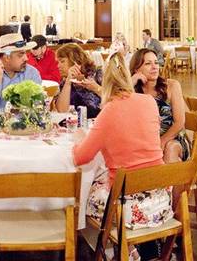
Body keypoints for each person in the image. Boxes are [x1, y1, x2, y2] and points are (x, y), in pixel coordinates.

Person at [72, 53, 171, 260]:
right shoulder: (149, 102)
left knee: (83, 198)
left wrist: (78, 139)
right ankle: (128, 247)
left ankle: (118, 250)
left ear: (104, 84)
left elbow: (81, 158)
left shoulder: (109, 111)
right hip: (162, 200)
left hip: (128, 208)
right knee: (104, 181)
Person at [130, 49, 189, 162]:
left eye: (156, 63)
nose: (154, 67)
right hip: (145, 142)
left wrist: (162, 141)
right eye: (148, 63)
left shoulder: (172, 86)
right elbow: (114, 104)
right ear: (137, 69)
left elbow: (180, 122)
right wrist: (131, 81)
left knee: (170, 148)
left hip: (173, 138)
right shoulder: (133, 91)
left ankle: (169, 178)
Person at [0, 34, 42, 111]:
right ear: (7, 57)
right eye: (21, 55)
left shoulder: (32, 73)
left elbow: (38, 107)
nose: (26, 58)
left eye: (25, 53)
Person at [54, 43, 103, 118]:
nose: (58, 66)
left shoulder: (97, 74)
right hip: (73, 125)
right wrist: (68, 82)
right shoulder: (65, 81)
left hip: (97, 123)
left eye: (62, 61)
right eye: (58, 62)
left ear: (75, 61)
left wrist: (95, 88)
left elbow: (114, 99)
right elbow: (61, 110)